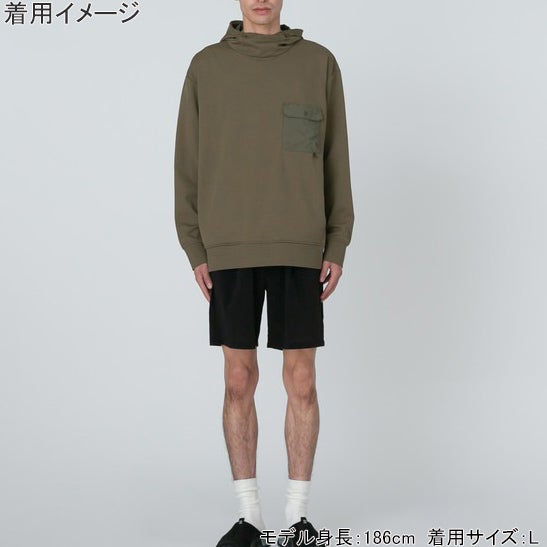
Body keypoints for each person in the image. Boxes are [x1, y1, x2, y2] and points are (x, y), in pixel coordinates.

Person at [174, 1, 354, 545]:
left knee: (302, 380)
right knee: (238, 379)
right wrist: (195, 245)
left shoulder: (318, 63)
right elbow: (187, 164)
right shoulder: (206, 66)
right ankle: (249, 516)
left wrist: (337, 240)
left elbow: (335, 159)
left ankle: (298, 518)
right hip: (229, 246)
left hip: (300, 245)